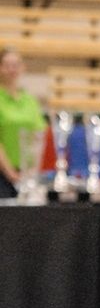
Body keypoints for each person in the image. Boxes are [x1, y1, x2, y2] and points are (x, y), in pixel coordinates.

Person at [0, 47, 46, 199]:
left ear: (23, 67)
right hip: (3, 174)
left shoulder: (29, 100)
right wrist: (11, 174)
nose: (12, 69)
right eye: (7, 65)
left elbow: (39, 136)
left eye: (16, 65)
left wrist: (31, 172)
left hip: (27, 176)